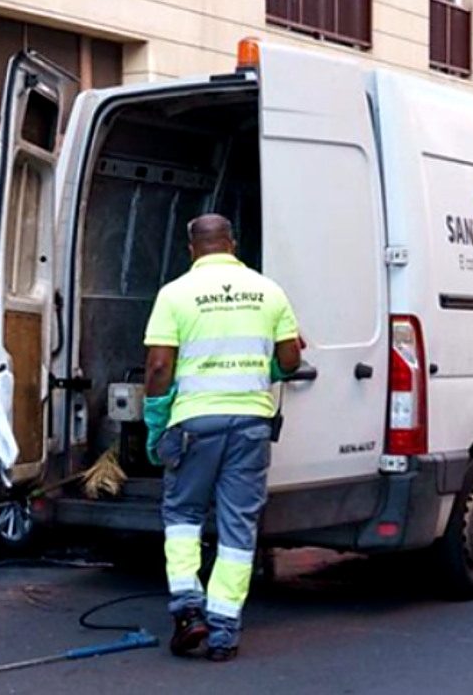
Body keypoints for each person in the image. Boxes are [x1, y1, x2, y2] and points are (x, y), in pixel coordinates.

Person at [142, 214, 301, 662]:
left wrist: (157, 422)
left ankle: (188, 613)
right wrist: (262, 367)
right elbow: (290, 357)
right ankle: (224, 631)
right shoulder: (269, 291)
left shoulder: (174, 294)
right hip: (250, 422)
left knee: (183, 516)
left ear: (191, 249)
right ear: (233, 243)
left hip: (194, 423)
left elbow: (158, 368)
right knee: (237, 525)